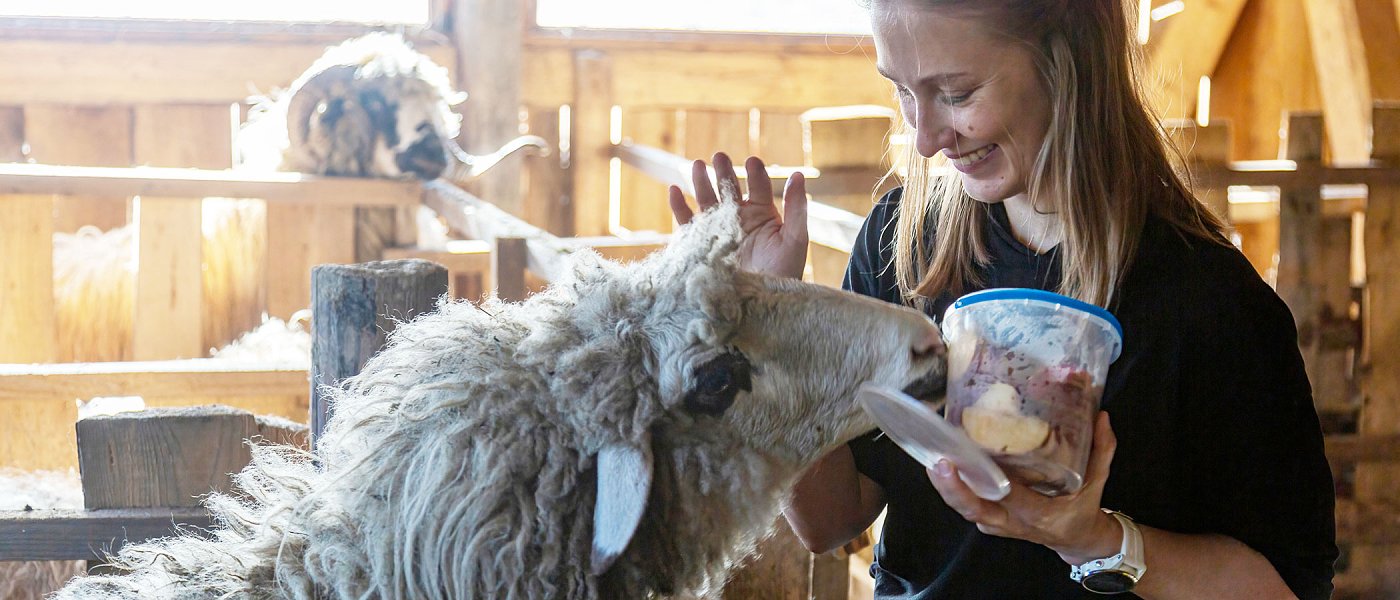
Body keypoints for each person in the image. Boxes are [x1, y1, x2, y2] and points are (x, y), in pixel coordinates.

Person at [666, 0, 1338, 598]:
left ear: (1068, 61)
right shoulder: (902, 248)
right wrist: (760, 322)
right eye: (902, 90)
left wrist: (1093, 538)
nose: (925, 137)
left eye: (954, 93)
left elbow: (1283, 586)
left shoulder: (1211, 304)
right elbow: (829, 519)